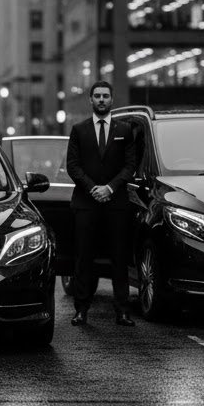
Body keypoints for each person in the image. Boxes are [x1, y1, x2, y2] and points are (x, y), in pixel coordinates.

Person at [66, 79, 137, 327]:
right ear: (91, 100)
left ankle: (123, 310)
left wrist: (110, 188)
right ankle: (81, 310)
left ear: (112, 99)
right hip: (86, 203)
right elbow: (72, 166)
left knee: (119, 257)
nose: (101, 100)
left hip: (116, 203)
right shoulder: (79, 129)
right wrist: (93, 188)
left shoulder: (125, 130)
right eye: (97, 96)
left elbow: (130, 166)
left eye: (105, 96)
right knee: (83, 257)